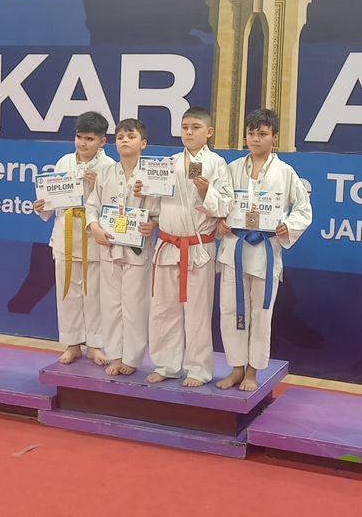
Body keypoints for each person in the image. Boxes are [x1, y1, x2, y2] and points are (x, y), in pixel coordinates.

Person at [135, 107, 234, 387]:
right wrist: (145, 195)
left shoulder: (217, 164)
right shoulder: (169, 163)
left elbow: (226, 206)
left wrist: (206, 192)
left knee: (197, 312)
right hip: (168, 244)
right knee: (164, 309)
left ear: (209, 132)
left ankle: (198, 369)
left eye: (195, 127)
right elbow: (156, 205)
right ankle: (166, 365)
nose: (189, 132)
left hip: (198, 247)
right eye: (185, 127)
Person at [215, 108, 312, 392]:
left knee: (261, 314)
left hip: (265, 252)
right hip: (234, 249)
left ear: (274, 137)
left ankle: (252, 371)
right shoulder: (232, 169)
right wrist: (219, 221)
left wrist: (287, 225)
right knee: (230, 310)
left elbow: (303, 210)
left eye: (262, 133)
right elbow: (220, 203)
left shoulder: (286, 172)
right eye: (251, 133)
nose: (255, 139)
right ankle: (236, 367)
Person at [33, 111, 115, 365]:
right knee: (68, 292)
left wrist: (95, 187)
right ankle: (72, 344)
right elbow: (52, 200)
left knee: (94, 295)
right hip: (65, 233)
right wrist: (42, 206)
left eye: (90, 139)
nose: (83, 143)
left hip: (93, 238)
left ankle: (95, 345)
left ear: (102, 141)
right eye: (80, 137)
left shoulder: (109, 166)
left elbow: (113, 205)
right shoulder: (64, 162)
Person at [86, 118, 158, 376]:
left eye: (131, 136)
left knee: (134, 306)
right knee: (110, 305)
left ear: (143, 143)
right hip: (109, 245)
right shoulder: (106, 173)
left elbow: (160, 209)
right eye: (120, 137)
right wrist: (94, 227)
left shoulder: (151, 174)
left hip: (137, 249)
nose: (124, 140)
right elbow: (92, 205)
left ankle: (132, 358)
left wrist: (153, 223)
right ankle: (115, 354)